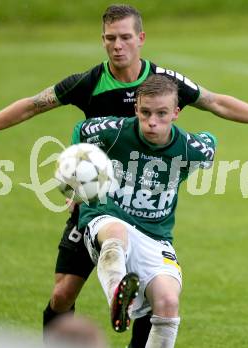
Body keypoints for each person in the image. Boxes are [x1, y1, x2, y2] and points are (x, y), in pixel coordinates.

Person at [0, 4, 248, 347]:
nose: (117, 46)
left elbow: (216, 102)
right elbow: (33, 106)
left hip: (143, 204)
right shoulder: (89, 82)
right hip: (99, 200)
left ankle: (131, 310)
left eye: (125, 38)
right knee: (63, 294)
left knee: (153, 302)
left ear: (141, 39)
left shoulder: (165, 82)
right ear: (102, 40)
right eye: (110, 38)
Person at [73, 74, 216, 347]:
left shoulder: (191, 149)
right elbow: (81, 130)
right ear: (135, 109)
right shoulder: (112, 131)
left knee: (168, 301)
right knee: (116, 233)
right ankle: (118, 296)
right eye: (146, 112)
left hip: (156, 236)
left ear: (176, 112)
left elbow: (211, 144)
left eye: (162, 114)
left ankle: (124, 299)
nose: (152, 121)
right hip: (107, 218)